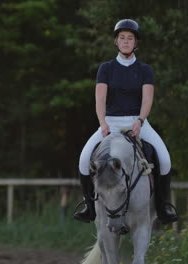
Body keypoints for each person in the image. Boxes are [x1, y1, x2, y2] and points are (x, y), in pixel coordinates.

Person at [73, 19, 178, 224]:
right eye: (122, 38)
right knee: (84, 159)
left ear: (136, 43)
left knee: (165, 160)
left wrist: (140, 120)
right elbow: (100, 99)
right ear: (116, 42)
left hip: (137, 123)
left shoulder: (145, 69)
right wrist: (102, 122)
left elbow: (147, 99)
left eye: (130, 38)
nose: (126, 41)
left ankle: (162, 207)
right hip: (110, 123)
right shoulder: (106, 68)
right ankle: (89, 206)